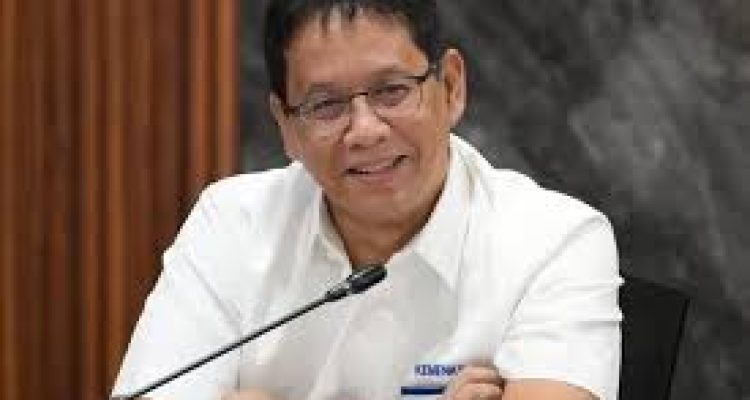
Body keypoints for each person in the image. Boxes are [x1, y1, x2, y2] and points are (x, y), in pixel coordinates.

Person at [112, 0, 622, 399]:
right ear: (286, 126)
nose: (365, 130)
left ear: (450, 86)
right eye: (325, 105)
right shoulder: (231, 224)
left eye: (391, 91)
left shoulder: (556, 241)